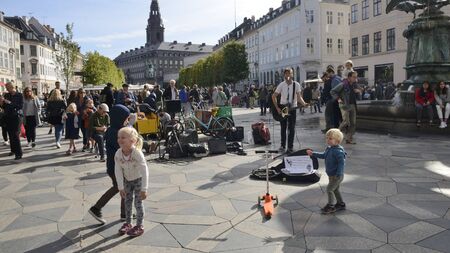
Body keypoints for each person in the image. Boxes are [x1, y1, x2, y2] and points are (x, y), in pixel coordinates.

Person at [89, 105, 130, 224]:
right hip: (116, 167)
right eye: (125, 119)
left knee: (122, 188)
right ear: (119, 118)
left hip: (116, 166)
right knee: (121, 188)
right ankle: (96, 208)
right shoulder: (116, 132)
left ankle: (124, 214)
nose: (127, 121)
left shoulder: (116, 130)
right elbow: (123, 148)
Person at [115, 127, 149, 237]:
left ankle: (139, 225)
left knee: (138, 203)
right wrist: (120, 187)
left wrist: (144, 189)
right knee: (127, 202)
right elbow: (118, 170)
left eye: (123, 137)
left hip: (138, 180)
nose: (120, 140)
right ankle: (128, 223)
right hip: (127, 181)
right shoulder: (118, 154)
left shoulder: (137, 153)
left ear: (132, 140)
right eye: (119, 137)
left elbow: (145, 171)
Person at [306, 128, 346, 214]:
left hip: (337, 175)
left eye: (330, 138)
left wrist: (339, 173)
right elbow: (323, 155)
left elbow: (341, 163)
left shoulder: (338, 152)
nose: (327, 140)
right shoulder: (329, 148)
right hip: (331, 175)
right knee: (335, 190)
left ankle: (331, 206)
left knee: (329, 189)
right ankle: (341, 204)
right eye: (327, 138)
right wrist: (313, 153)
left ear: (338, 141)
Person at [272, 68, 308, 153]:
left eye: (289, 73)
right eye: (286, 74)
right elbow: (273, 96)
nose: (287, 75)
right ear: (284, 75)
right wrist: (277, 108)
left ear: (292, 74)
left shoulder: (297, 85)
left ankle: (290, 147)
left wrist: (304, 104)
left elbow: (299, 97)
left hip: (292, 108)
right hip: (284, 108)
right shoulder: (281, 85)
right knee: (283, 128)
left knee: (291, 128)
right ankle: (282, 145)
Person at [331, 71, 362, 144]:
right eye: (354, 77)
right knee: (346, 122)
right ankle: (335, 135)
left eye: (356, 77)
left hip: (352, 105)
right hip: (345, 105)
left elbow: (360, 90)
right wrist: (338, 99)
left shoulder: (354, 85)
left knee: (353, 123)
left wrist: (359, 91)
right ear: (349, 77)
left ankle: (348, 138)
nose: (355, 78)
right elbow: (333, 91)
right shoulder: (343, 84)